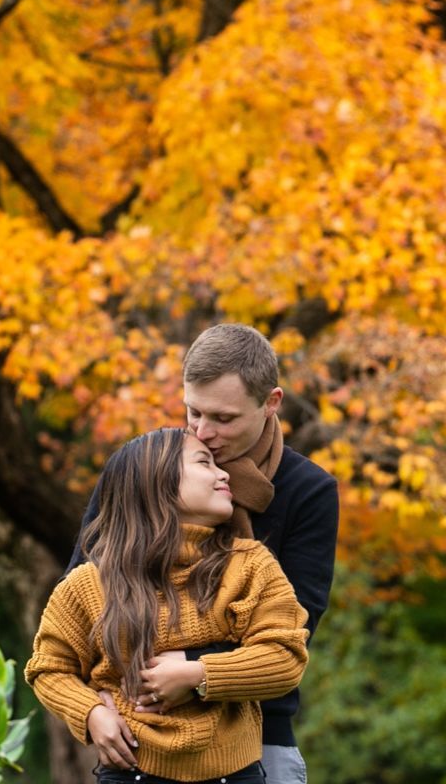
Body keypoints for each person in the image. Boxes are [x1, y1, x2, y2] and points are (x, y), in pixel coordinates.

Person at [67, 324, 340, 784]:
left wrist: (193, 669)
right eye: (193, 412)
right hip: (140, 729)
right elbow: (80, 600)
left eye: (223, 418)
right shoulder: (146, 469)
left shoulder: (307, 491)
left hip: (255, 729)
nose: (203, 431)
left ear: (271, 402)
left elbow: (295, 626)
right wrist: (91, 706)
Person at [26, 428, 309, 783]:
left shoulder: (252, 565)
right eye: (204, 463)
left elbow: (285, 657)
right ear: (158, 482)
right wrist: (91, 713)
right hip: (130, 772)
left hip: (235, 774)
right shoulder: (89, 584)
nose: (224, 474)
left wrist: (197, 674)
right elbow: (48, 667)